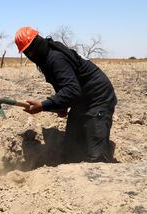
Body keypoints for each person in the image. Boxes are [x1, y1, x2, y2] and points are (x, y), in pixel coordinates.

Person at [14, 26, 117, 163]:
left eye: (31, 49)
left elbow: (71, 91)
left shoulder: (55, 58)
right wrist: (60, 105)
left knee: (97, 159)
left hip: (98, 99)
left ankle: (104, 148)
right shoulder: (45, 58)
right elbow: (64, 86)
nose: (31, 54)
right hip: (80, 101)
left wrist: (43, 106)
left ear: (38, 42)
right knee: (71, 150)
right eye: (27, 52)